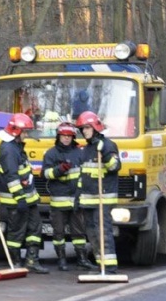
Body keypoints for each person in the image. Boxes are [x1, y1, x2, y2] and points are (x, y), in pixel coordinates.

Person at [0, 112, 49, 273]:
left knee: (35, 229)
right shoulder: (9, 150)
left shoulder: (15, 147)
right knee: (16, 233)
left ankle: (32, 260)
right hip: (16, 200)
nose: (27, 135)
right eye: (25, 132)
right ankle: (15, 262)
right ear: (16, 131)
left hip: (28, 199)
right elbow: (12, 177)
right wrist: (20, 199)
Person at [40, 122, 97, 271]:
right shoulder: (51, 153)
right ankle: (61, 260)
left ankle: (82, 259)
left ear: (73, 137)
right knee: (58, 233)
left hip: (76, 200)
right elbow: (45, 174)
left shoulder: (80, 153)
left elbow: (85, 174)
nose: (66, 139)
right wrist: (59, 170)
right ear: (58, 136)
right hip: (59, 201)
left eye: (69, 136)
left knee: (79, 232)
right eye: (63, 136)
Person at [74, 111, 121, 273]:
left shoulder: (107, 145)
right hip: (88, 199)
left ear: (95, 127)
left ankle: (110, 267)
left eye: (87, 127)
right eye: (82, 128)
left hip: (103, 198)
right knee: (92, 234)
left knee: (103, 233)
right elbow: (83, 175)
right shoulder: (86, 149)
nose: (84, 131)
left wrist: (106, 155)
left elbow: (115, 167)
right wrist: (77, 198)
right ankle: (101, 264)